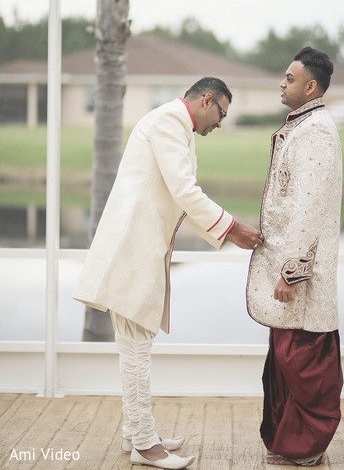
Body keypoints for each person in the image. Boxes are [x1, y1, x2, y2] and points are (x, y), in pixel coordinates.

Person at [73, 77, 263, 470]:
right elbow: (185, 191)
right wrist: (232, 227)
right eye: (222, 112)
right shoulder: (169, 122)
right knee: (137, 346)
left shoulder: (176, 123)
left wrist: (225, 232)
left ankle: (134, 432)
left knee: (134, 343)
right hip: (132, 249)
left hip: (139, 249)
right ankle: (144, 443)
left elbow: (181, 201)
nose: (221, 122)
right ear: (207, 100)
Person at [246, 47, 343, 467]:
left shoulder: (316, 131)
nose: (282, 84)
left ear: (311, 86)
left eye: (289, 78)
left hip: (299, 277)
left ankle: (306, 449)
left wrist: (291, 273)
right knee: (285, 358)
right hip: (285, 270)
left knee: (302, 359)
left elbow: (309, 207)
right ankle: (290, 443)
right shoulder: (303, 125)